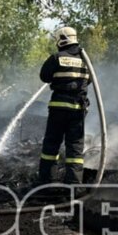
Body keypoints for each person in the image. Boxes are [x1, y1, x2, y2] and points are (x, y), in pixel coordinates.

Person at [37, 26, 90, 184]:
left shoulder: (56, 58)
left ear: (61, 39)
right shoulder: (85, 60)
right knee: (75, 148)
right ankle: (74, 185)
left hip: (59, 110)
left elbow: (44, 77)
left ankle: (47, 182)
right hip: (78, 111)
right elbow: (89, 80)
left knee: (52, 145)